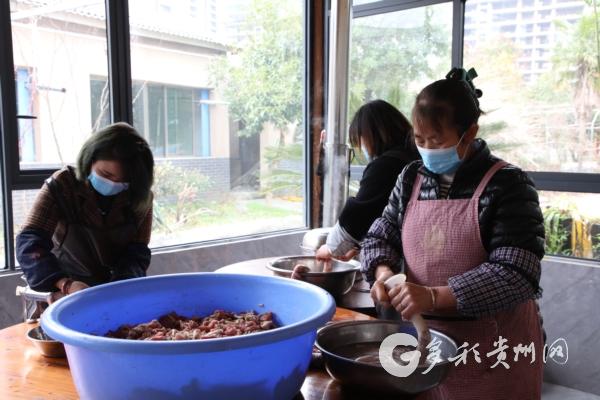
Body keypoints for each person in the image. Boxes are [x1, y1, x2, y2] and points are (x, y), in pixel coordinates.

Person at [361, 68, 545, 399]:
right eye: (419, 140)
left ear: (469, 132)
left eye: (438, 140)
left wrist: (433, 296)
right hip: (427, 346)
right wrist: (384, 272)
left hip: (492, 350)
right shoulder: (410, 179)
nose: (427, 149)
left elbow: (516, 272)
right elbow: (380, 236)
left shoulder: (508, 184)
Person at [17, 122, 154, 302]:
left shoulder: (140, 197)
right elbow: (30, 241)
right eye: (105, 175)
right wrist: (65, 284)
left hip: (114, 290)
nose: (113, 183)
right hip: (64, 289)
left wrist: (120, 287)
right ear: (89, 161)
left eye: (123, 181)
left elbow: (137, 253)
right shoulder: (62, 185)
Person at [315, 99, 419, 262]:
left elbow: (359, 216)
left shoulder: (385, 165)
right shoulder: (413, 156)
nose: (362, 147)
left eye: (360, 140)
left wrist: (330, 248)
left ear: (373, 135)